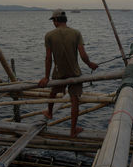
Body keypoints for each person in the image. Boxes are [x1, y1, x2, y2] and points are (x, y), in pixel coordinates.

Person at [38, 9, 98, 137]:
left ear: (55, 21)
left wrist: (46, 77)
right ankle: (72, 130)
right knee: (75, 101)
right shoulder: (76, 33)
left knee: (53, 93)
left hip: (59, 73)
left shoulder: (49, 35)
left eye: (53, 20)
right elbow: (83, 55)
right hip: (74, 74)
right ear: (65, 20)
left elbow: (48, 58)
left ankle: (49, 112)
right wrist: (90, 64)